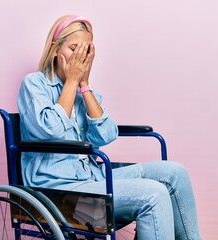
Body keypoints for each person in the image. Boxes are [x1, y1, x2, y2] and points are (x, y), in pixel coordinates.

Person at [17, 14, 202, 240]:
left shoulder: (80, 93)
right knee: (154, 194)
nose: (78, 58)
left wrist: (83, 86)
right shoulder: (34, 83)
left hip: (93, 178)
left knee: (175, 173)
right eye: (73, 48)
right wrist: (73, 81)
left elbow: (106, 135)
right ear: (55, 49)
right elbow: (52, 130)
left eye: (84, 52)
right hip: (58, 193)